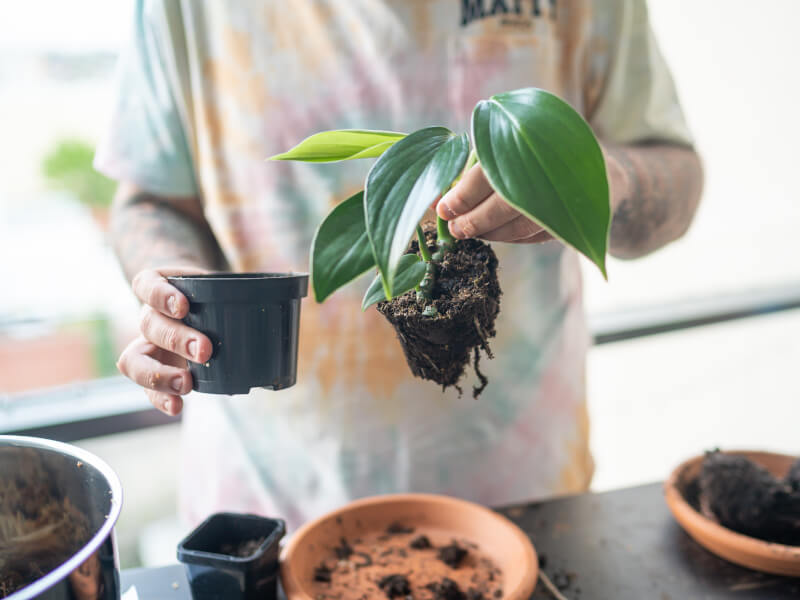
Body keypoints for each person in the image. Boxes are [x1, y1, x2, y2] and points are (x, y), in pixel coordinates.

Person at [97, 0, 703, 530]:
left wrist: (593, 180)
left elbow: (676, 175)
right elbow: (150, 198)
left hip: (527, 502)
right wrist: (170, 288)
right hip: (266, 507)